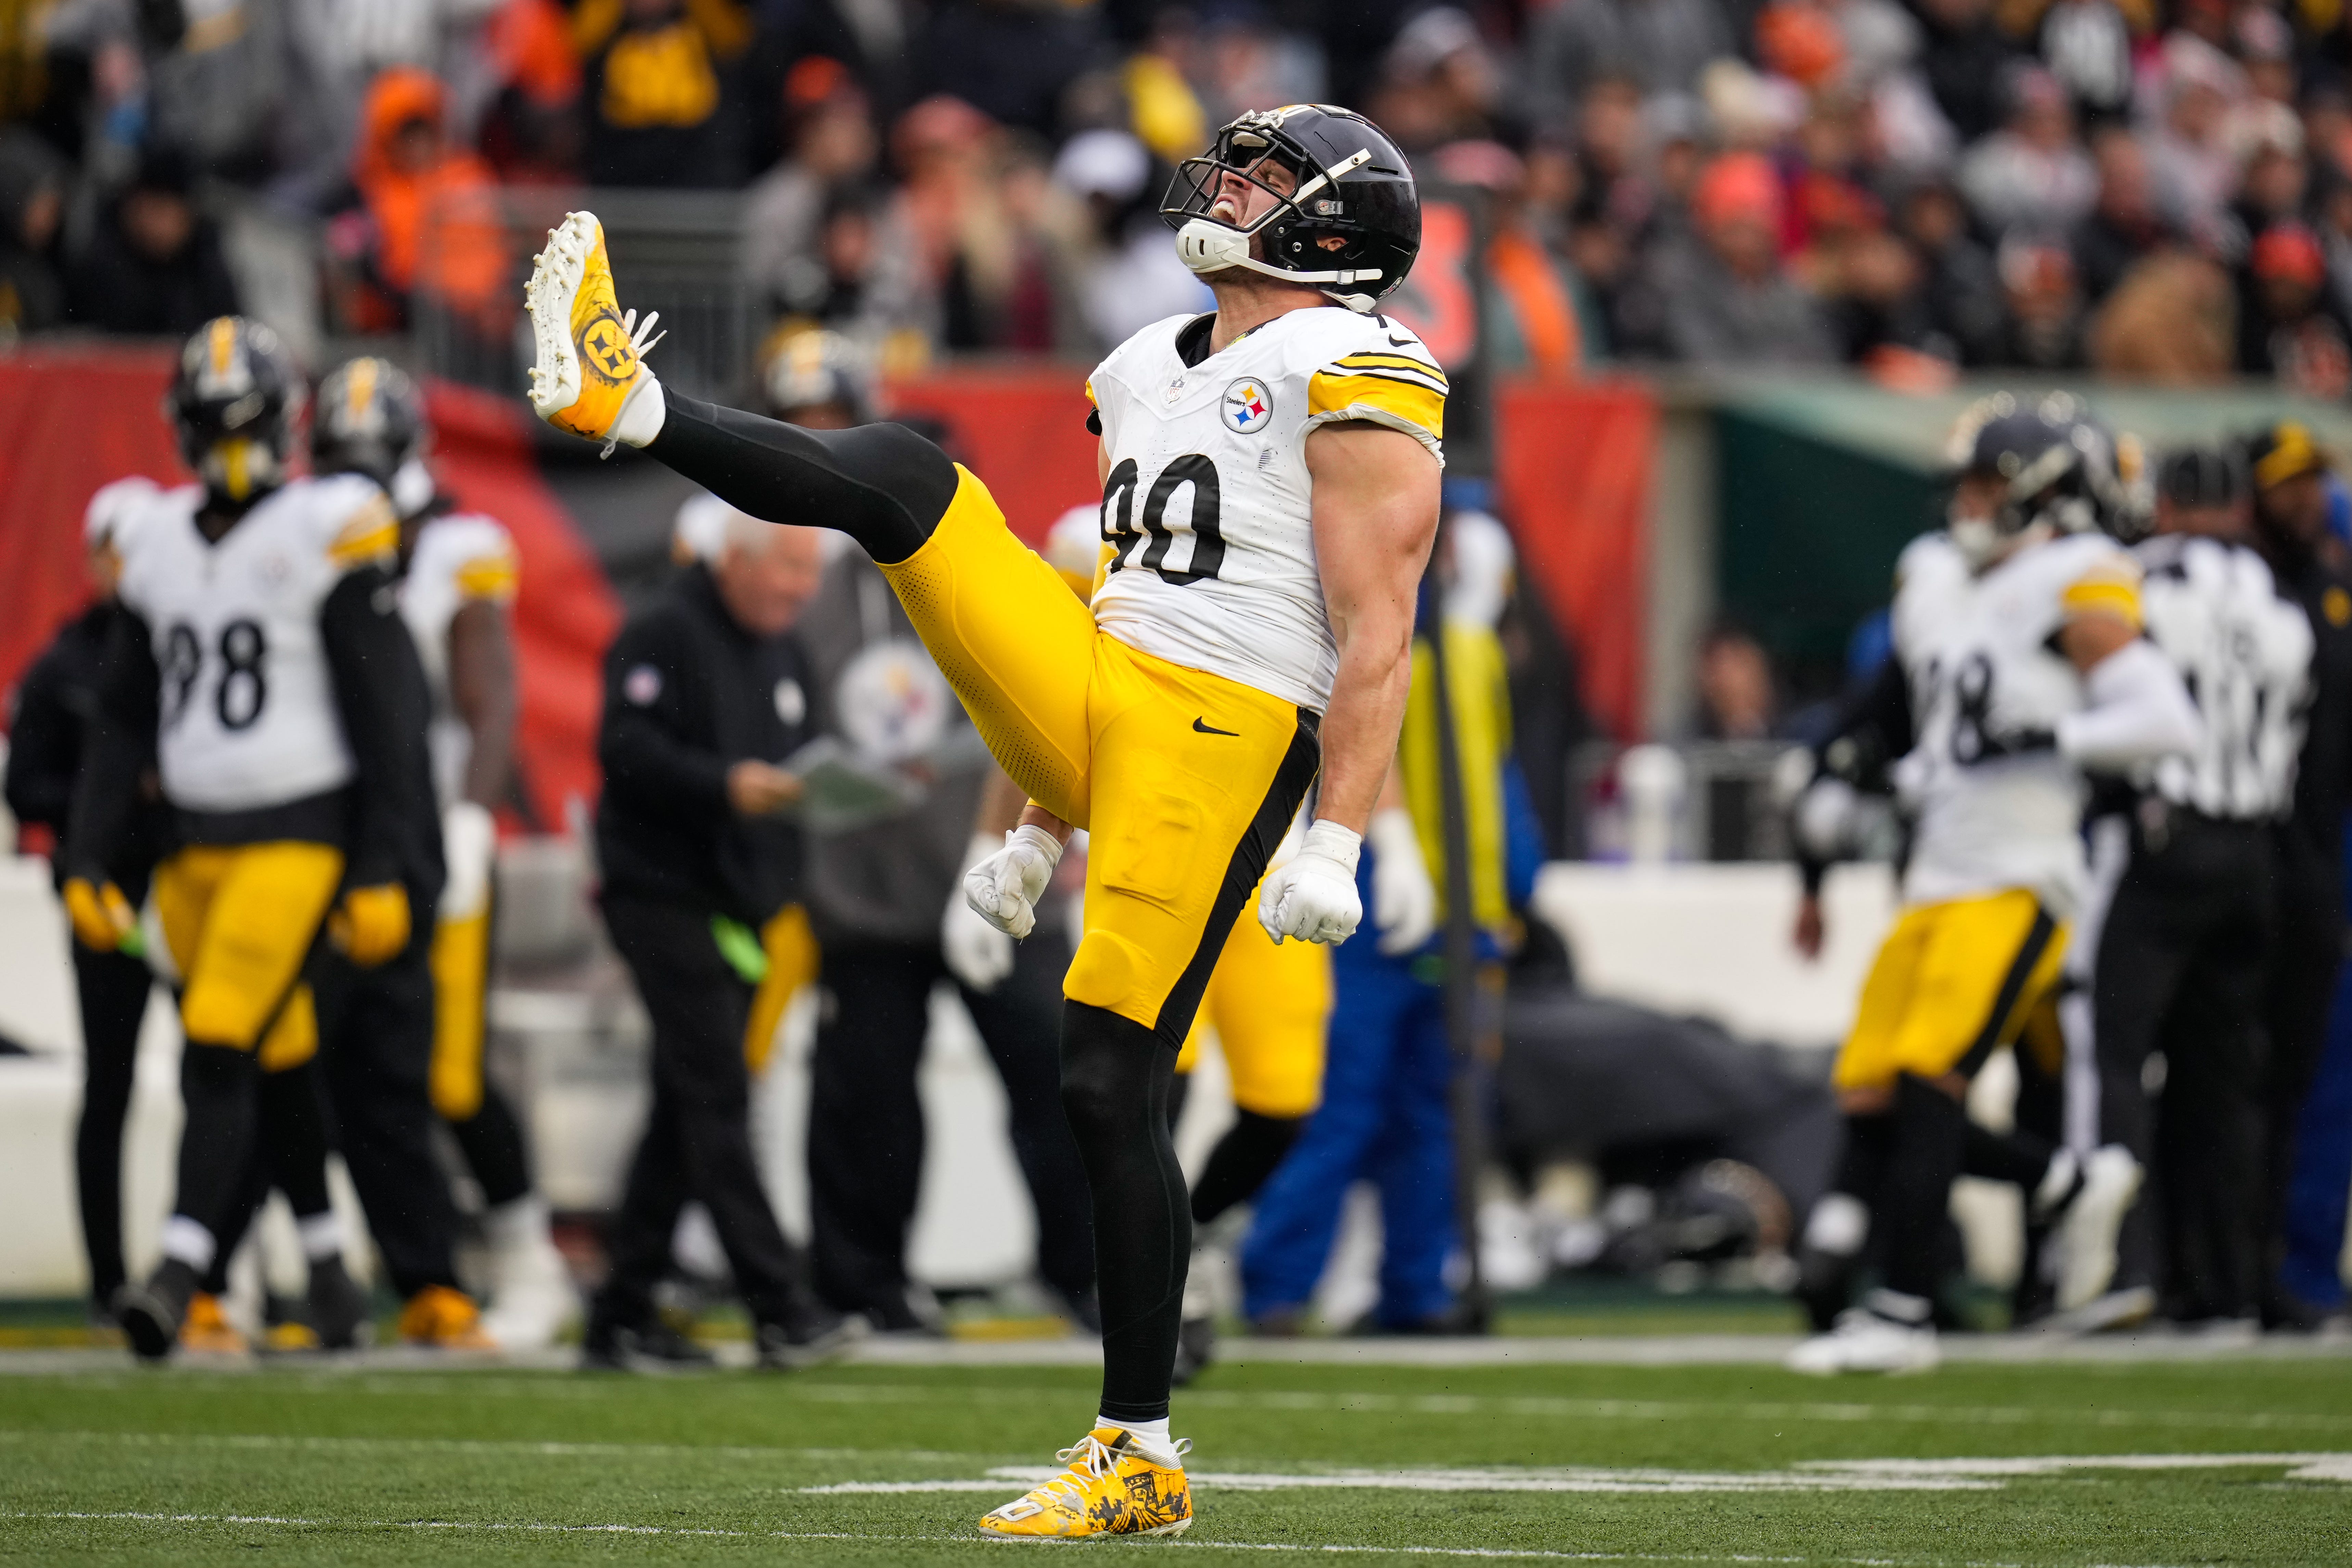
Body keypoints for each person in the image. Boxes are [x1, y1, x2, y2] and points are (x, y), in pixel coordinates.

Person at [521, 101, 1441, 1537]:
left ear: (1328, 225)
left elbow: (1378, 626)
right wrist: (1025, 821)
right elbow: (1110, 591)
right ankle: (626, 403)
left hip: (1226, 731)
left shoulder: (1356, 359)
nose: (1225, 187)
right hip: (1103, 685)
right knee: (909, 481)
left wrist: (1338, 834)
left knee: (1098, 1079)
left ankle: (1136, 1444)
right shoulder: (1144, 363)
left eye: (1261, 176)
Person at [60, 317, 485, 1359]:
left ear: (288, 425)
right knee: (282, 1051)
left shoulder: (326, 525)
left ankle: (175, 1272)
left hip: (299, 836)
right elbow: (124, 717)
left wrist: (386, 862)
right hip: (196, 847)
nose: (231, 445)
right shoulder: (152, 538)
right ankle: (332, 1273)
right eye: (213, 425)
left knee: (216, 1040)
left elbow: (390, 713)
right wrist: (84, 854)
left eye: (245, 424)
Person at [1783, 396, 2199, 1374]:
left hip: (2022, 868)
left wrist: (2057, 733)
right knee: (1873, 1087)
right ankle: (2064, 1178)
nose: (1964, 502)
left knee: (1933, 1070)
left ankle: (1902, 1309)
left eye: (1984, 484)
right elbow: (1914, 713)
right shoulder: (1936, 576)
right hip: (1936, 866)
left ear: (2040, 495)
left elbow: (2164, 719)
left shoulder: (2079, 577)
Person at [771, 331, 1097, 1334]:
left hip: (998, 882)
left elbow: (1042, 712)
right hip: (864, 880)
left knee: (1064, 1082)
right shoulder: (804, 586)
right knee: (864, 1100)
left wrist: (1022, 843)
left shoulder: (993, 580)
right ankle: (864, 1284)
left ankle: (1090, 1272)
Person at [309, 357, 576, 1351]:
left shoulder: (458, 547)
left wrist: (470, 819)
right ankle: (362, 1269)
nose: (359, 474)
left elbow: (492, 696)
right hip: (339, 834)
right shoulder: (304, 537)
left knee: (449, 1073)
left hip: (435, 840)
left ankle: (530, 1262)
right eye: (343, 455)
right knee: (341, 1062)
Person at [1241, 500, 1528, 1338]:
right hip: (1366, 910)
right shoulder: (1362, 635)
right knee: (1345, 1107)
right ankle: (1277, 1287)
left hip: (1455, 918)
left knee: (1435, 1113)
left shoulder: (1467, 651)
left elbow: (1493, 786)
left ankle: (1413, 1286)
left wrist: (1505, 896)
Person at [585, 495, 853, 1371]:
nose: (800, 591)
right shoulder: (662, 629)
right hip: (663, 894)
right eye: (789, 569)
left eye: (811, 575)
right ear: (737, 557)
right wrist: (721, 784)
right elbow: (624, 747)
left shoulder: (782, 646)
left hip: (742, 904)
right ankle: (780, 1302)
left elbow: (807, 756)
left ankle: (620, 1311)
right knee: (717, 1094)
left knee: (685, 1102)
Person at [2069, 444, 2311, 1328]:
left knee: (2118, 1055)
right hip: (2257, 851)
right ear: (2241, 507)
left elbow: (2114, 708)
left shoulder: (2137, 581)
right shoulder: (2279, 596)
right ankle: (2224, 1284)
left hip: (2164, 838)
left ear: (2163, 502)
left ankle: (2123, 1266)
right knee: (2222, 1078)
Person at [5, 480, 168, 1326]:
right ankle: (112, 1279)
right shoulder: (66, 664)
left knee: (233, 1066)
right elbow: (25, 782)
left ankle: (204, 1267)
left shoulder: (192, 644)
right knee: (108, 1082)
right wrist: (93, 818)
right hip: (106, 889)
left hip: (189, 884)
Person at [2244, 421, 2352, 1329]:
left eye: (2313, 480)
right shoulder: (2238, 592)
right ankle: (2227, 1264)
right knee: (2235, 1075)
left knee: (2310, 1076)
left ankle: (2297, 1266)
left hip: (2319, 858)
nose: (2305, 496)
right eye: (2287, 483)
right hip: (2241, 859)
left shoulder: (2330, 588)